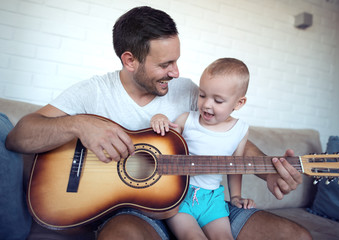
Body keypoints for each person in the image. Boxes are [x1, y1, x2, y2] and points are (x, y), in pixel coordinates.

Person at [5, 6, 311, 240]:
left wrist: (267, 169)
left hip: (200, 203)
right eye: (165, 64)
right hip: (136, 214)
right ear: (129, 61)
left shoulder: (192, 92)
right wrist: (80, 125)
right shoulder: (93, 91)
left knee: (296, 236)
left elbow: (231, 137)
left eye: (176, 61)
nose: (176, 72)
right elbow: (19, 136)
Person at [150, 58, 255, 239]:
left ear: (239, 103)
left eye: (218, 100)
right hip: (179, 196)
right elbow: (165, 142)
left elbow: (235, 167)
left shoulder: (241, 130)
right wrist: (159, 118)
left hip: (213, 200)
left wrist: (236, 196)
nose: (206, 104)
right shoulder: (187, 120)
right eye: (202, 95)